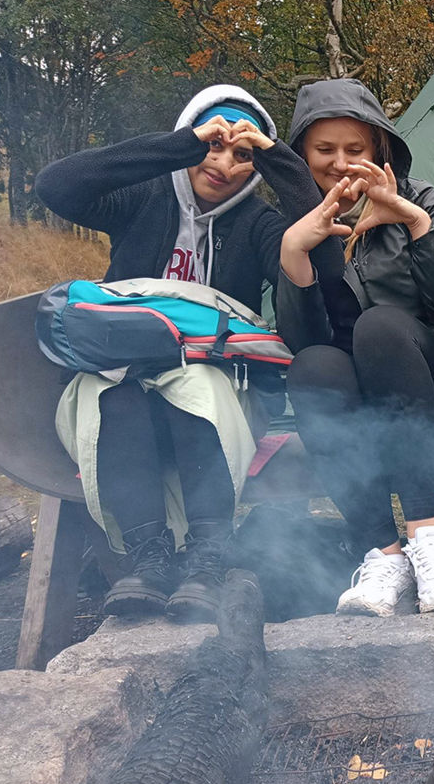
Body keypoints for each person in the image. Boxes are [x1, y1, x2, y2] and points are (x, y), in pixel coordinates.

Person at [35, 84, 320, 621]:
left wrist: (279, 159)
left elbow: (320, 248)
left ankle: (208, 557)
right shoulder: (143, 198)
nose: (223, 165)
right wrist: (181, 145)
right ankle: (149, 558)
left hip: (216, 402)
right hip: (129, 396)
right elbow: (56, 186)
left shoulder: (258, 223)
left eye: (243, 155)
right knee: (113, 388)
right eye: (213, 145)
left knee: (197, 382)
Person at [276, 78, 434, 617]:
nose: (341, 163)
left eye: (355, 149)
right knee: (313, 366)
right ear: (303, 155)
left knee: (380, 327)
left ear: (379, 149)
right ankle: (384, 558)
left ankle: (430, 539)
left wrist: (414, 224)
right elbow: (303, 344)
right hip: (356, 416)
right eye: (325, 149)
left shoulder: (422, 199)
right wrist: (295, 252)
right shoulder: (295, 222)